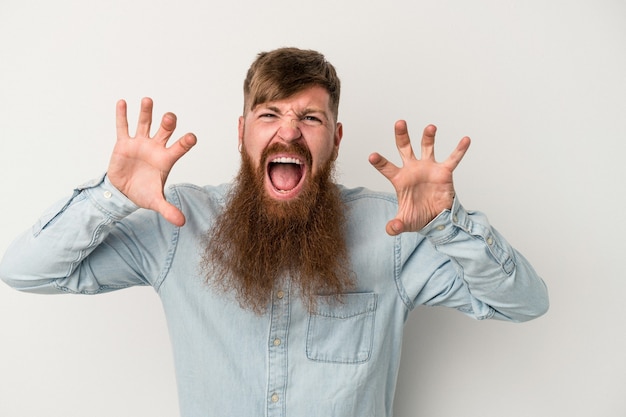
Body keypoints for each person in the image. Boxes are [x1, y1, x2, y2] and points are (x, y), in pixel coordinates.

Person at [0, 47, 549, 417]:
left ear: (335, 137)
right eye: (269, 115)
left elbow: (523, 303)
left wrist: (449, 224)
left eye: (309, 118)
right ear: (242, 134)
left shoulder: (394, 231)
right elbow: (23, 270)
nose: (289, 132)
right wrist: (109, 197)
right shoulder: (177, 225)